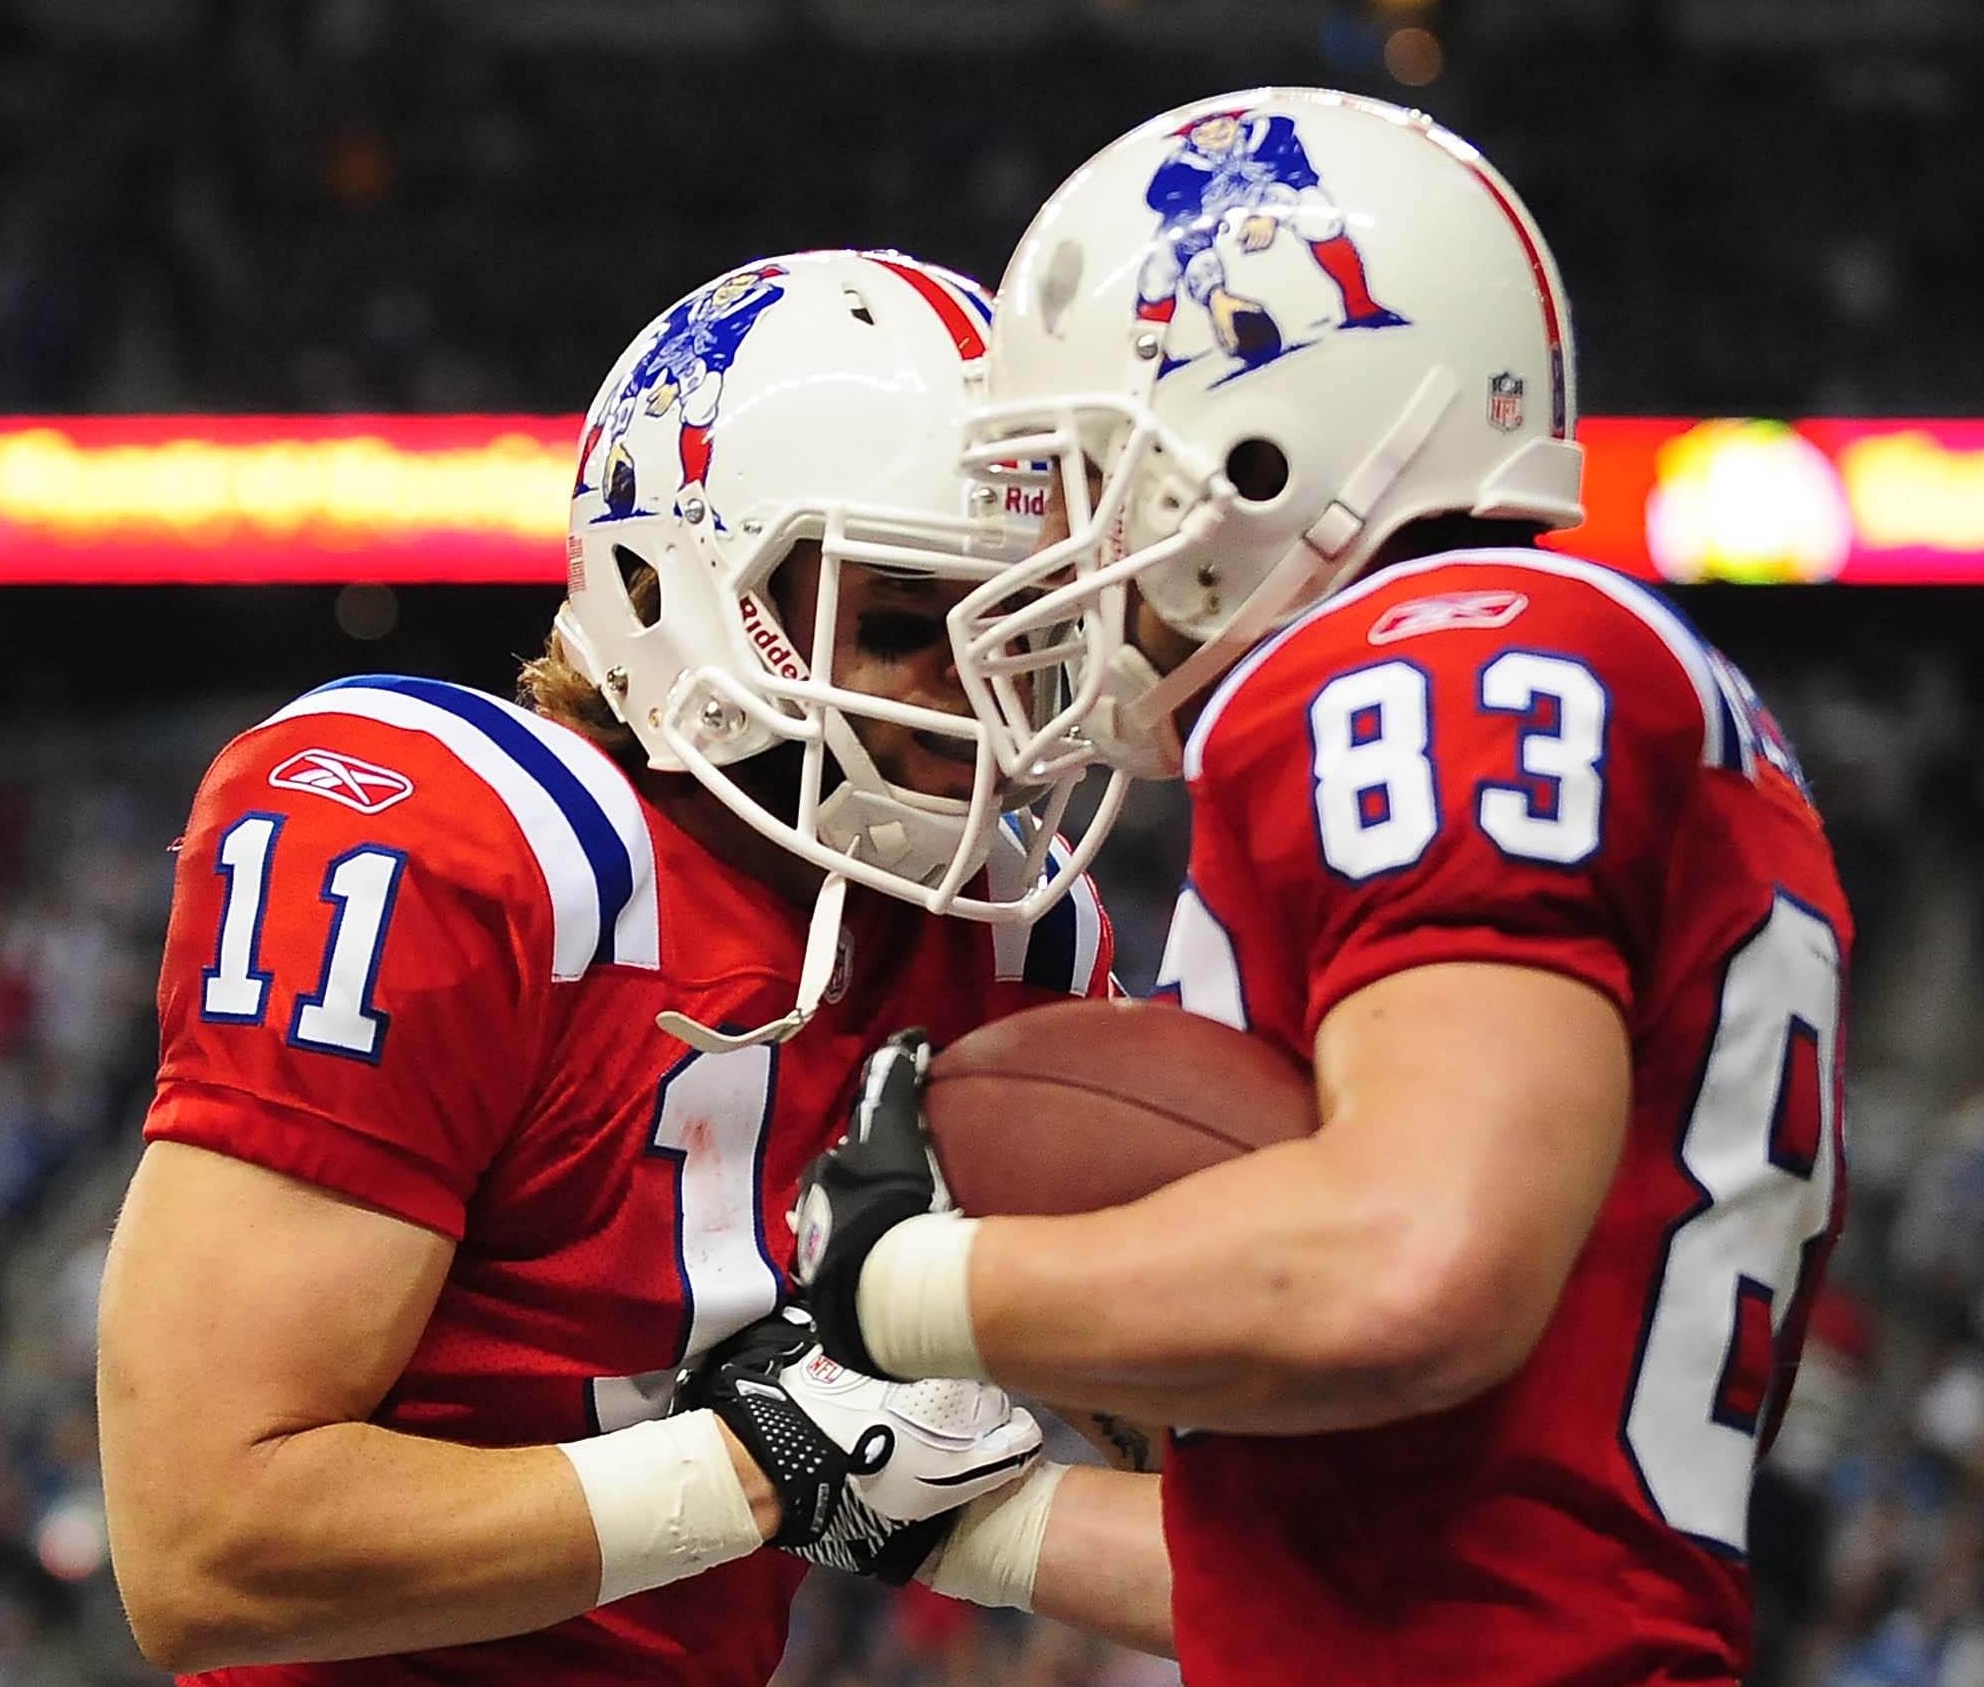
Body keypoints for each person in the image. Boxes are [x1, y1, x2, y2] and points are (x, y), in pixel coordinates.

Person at [792, 92, 1855, 1684]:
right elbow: (1365, 1569)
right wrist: (925, 1509)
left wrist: (918, 1279)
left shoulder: (1441, 654)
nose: (1060, 554)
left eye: (1092, 481)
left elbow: (1418, 1267)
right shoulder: (1553, 668)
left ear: (1265, 442)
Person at [96, 249, 1165, 1685]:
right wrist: (755, 1474)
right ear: (679, 581)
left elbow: (1248, 1527)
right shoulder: (466, 845)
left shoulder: (1017, 941)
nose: (978, 704)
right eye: (910, 624)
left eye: (1027, 637)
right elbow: (206, 1545)